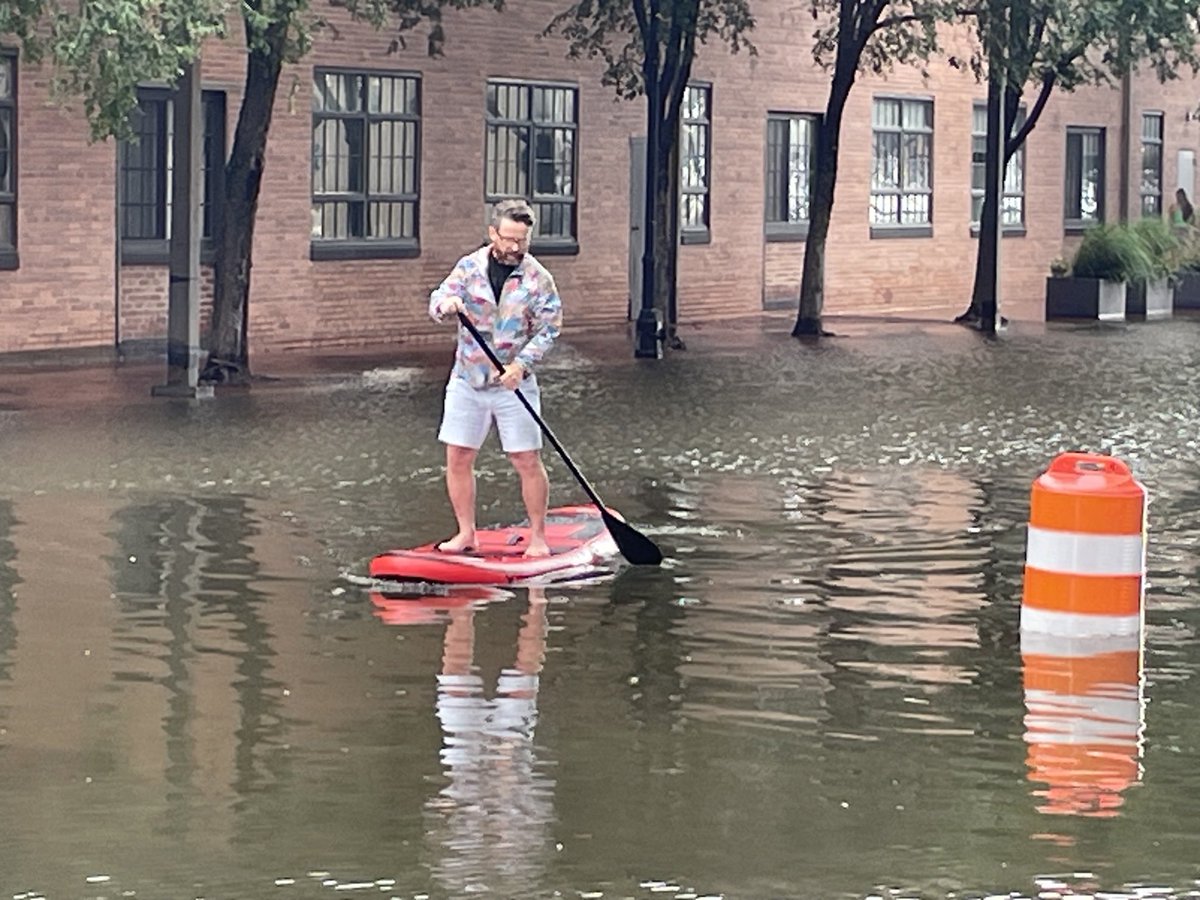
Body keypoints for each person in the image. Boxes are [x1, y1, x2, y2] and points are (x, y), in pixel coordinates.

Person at [428, 199, 563, 558]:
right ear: (493, 234)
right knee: (458, 457)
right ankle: (466, 533)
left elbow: (549, 329)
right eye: (508, 239)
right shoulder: (469, 267)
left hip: (513, 382)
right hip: (468, 378)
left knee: (526, 460)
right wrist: (447, 306)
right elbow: (438, 299)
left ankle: (537, 537)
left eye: (522, 240)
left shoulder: (538, 279)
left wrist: (521, 365)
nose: (515, 247)